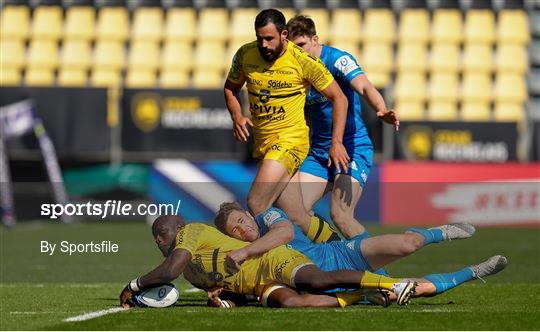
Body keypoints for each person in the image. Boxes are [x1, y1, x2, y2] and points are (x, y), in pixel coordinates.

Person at [223, 9, 350, 254]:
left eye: (269, 38)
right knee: (297, 216)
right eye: (260, 38)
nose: (264, 44)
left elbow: (340, 98)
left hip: (290, 141)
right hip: (264, 144)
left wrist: (336, 142)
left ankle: (270, 262)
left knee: (256, 202)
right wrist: (237, 116)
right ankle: (342, 252)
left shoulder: (302, 60)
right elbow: (230, 88)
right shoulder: (245, 54)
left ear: (283, 35)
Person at [213, 202, 508, 304]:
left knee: (407, 245)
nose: (241, 228)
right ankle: (474, 272)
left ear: (249, 215)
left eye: (241, 220)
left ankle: (439, 232)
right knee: (409, 291)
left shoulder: (268, 218)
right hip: (334, 284)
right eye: (234, 230)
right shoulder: (241, 258)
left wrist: (245, 252)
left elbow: (286, 233)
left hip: (341, 255)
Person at [119, 215, 419, 309]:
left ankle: (394, 283)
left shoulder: (191, 232)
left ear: (177, 229)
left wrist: (134, 285)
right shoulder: (192, 276)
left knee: (316, 281)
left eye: (161, 234)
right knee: (295, 304)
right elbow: (231, 290)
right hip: (259, 284)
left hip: (274, 260)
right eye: (156, 237)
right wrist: (223, 300)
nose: (158, 241)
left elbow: (169, 269)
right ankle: (359, 295)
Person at [276, 15, 400, 243]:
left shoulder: (337, 60)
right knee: (293, 212)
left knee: (341, 215)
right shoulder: (295, 70)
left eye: (302, 45)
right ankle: (335, 253)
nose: (299, 52)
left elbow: (364, 86)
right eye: (294, 48)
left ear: (315, 40)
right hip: (320, 152)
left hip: (351, 148)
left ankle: (378, 273)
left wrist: (381, 108)